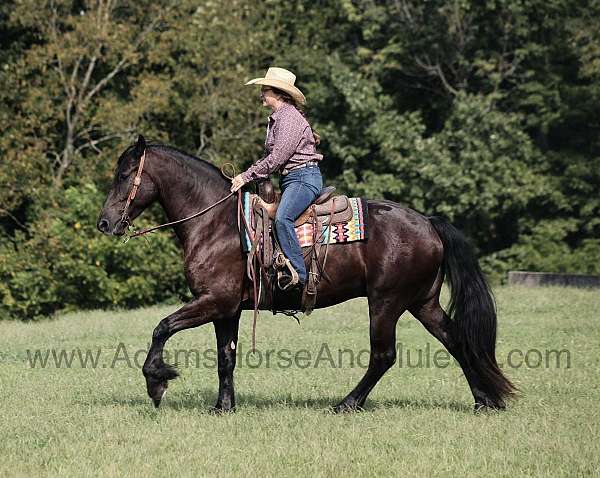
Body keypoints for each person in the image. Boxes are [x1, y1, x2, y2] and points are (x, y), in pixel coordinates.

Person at [230, 67, 323, 293]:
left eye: (265, 90)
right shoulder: (277, 118)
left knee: (282, 218)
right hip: (292, 179)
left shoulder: (289, 117)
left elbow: (277, 157)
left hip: (303, 178)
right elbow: (271, 159)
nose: (261, 94)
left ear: (279, 94)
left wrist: (246, 175)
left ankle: (300, 277)